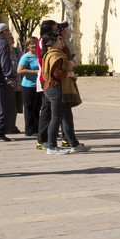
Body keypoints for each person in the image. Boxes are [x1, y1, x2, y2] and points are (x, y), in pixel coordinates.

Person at [39, 23, 86, 155]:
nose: (62, 40)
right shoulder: (55, 55)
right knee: (56, 118)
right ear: (53, 42)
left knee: (67, 117)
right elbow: (56, 73)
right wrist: (69, 74)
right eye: (59, 39)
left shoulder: (53, 53)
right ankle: (51, 146)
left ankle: (74, 144)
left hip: (55, 88)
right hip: (55, 89)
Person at [17, 38, 41, 138]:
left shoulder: (40, 56)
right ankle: (30, 129)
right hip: (28, 85)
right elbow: (19, 70)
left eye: (36, 43)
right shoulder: (26, 57)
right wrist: (34, 72)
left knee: (38, 108)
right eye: (32, 44)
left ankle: (37, 128)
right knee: (29, 108)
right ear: (27, 46)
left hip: (39, 85)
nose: (34, 45)